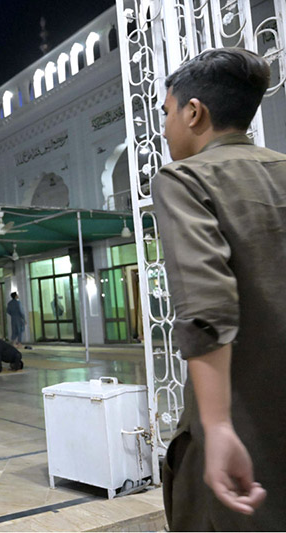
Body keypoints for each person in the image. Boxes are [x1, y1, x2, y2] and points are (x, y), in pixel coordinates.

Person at [152, 48, 285, 530]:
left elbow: (206, 305)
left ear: (194, 112)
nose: (165, 128)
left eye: (167, 113)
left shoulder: (184, 178)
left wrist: (219, 424)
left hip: (242, 433)